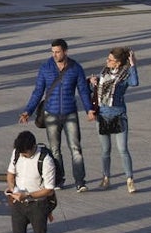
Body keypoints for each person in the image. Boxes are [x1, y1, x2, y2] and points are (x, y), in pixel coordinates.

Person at [20, 38, 96, 192]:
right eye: (53, 52)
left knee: (76, 148)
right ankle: (58, 179)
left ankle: (80, 181)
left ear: (65, 51)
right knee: (55, 149)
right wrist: (28, 110)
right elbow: (38, 91)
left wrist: (89, 109)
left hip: (70, 113)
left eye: (58, 52)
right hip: (51, 113)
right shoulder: (45, 68)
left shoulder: (76, 68)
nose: (55, 55)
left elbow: (82, 90)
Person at [6, 130, 58, 233]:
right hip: (18, 204)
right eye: (21, 153)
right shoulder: (17, 153)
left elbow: (48, 190)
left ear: (33, 147)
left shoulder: (45, 160)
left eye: (25, 153)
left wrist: (27, 195)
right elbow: (10, 174)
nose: (23, 155)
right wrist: (12, 189)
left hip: (38, 205)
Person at [90, 47, 140, 193]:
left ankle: (130, 179)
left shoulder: (124, 77)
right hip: (102, 115)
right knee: (105, 150)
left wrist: (132, 65)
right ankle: (106, 177)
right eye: (108, 59)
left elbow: (135, 82)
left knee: (123, 149)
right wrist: (92, 82)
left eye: (110, 60)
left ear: (118, 63)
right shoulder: (104, 73)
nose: (107, 61)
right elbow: (96, 91)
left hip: (118, 115)